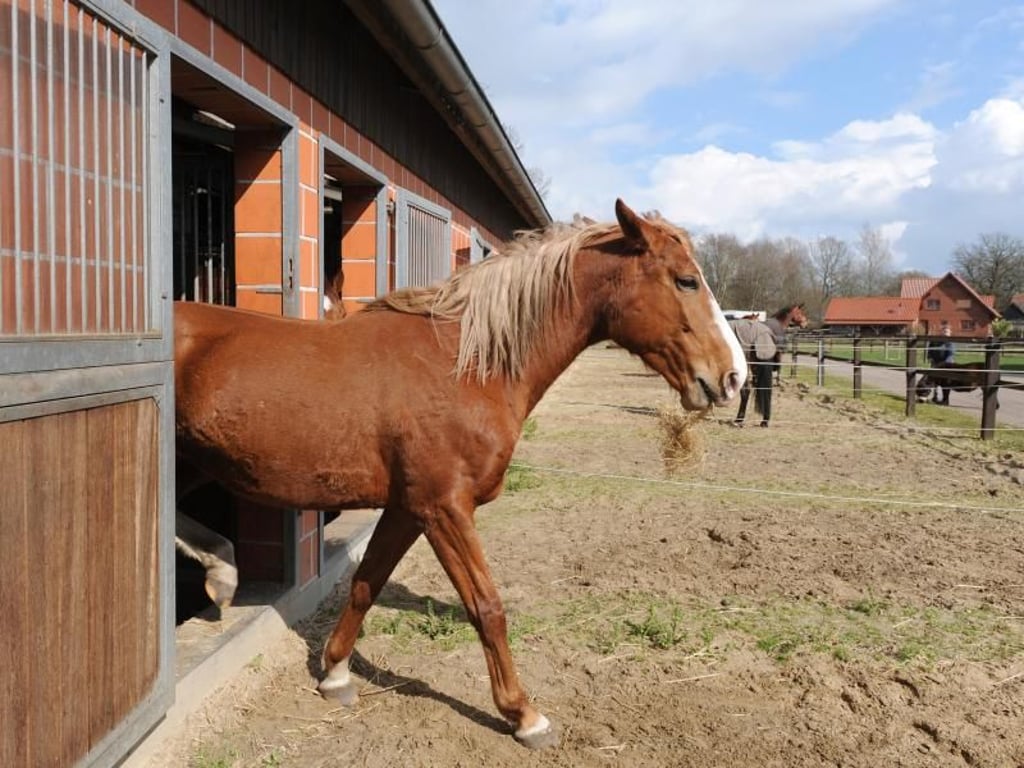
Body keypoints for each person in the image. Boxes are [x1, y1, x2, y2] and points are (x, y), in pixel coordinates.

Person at [730, 317, 777, 427]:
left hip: (760, 341)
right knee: (764, 384)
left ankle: (764, 415)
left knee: (763, 383)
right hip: (762, 339)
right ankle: (765, 417)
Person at [925, 326, 955, 404]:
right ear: (941, 332)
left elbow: (950, 354)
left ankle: (945, 399)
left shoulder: (950, 343)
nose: (945, 333)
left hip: (946, 365)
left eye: (947, 332)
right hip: (935, 363)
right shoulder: (935, 341)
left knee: (945, 382)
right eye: (944, 331)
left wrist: (944, 364)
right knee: (934, 380)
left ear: (950, 333)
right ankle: (934, 396)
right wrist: (930, 357)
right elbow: (930, 349)